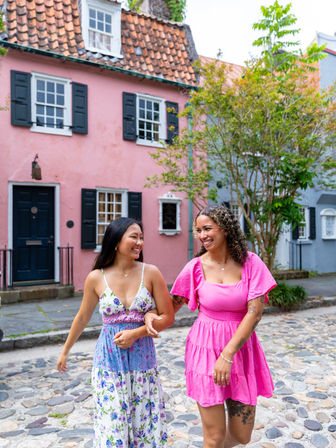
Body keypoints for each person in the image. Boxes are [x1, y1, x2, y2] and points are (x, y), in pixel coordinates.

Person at [146, 205, 276, 448]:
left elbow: (255, 313)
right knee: (214, 438)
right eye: (198, 230)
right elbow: (171, 307)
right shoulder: (194, 268)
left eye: (207, 228)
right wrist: (148, 317)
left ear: (225, 229)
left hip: (240, 352)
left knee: (241, 435)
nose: (202, 235)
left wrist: (227, 355)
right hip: (204, 350)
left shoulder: (251, 263)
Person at [57, 217, 174, 448]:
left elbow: (168, 317)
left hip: (143, 361)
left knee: (144, 426)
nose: (139, 242)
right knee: (113, 429)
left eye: (141, 237)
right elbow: (82, 317)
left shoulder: (150, 273)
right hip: (109, 362)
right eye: (134, 236)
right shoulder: (96, 277)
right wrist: (65, 351)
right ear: (115, 241)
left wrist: (136, 333)